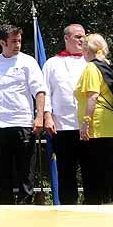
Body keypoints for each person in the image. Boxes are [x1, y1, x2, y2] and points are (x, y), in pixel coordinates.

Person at [0, 24, 48, 205]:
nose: (17, 44)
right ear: (2, 42)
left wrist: (39, 116)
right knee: (2, 172)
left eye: (19, 41)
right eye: (13, 41)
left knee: (26, 171)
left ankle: (26, 208)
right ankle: (5, 209)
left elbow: (40, 91)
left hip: (23, 123)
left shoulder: (28, 61)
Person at [75, 34, 113, 205]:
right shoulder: (109, 66)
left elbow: (92, 95)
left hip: (96, 122)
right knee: (108, 159)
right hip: (110, 121)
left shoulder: (91, 68)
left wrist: (86, 122)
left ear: (88, 50)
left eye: (83, 48)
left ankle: (97, 201)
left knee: (94, 164)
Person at [41, 24, 88, 205]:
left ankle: (93, 206)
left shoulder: (90, 61)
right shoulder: (52, 63)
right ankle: (68, 208)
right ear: (66, 38)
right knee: (66, 171)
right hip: (63, 126)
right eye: (77, 37)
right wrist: (47, 116)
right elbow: (45, 91)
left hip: (87, 126)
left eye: (83, 36)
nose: (81, 40)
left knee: (90, 170)